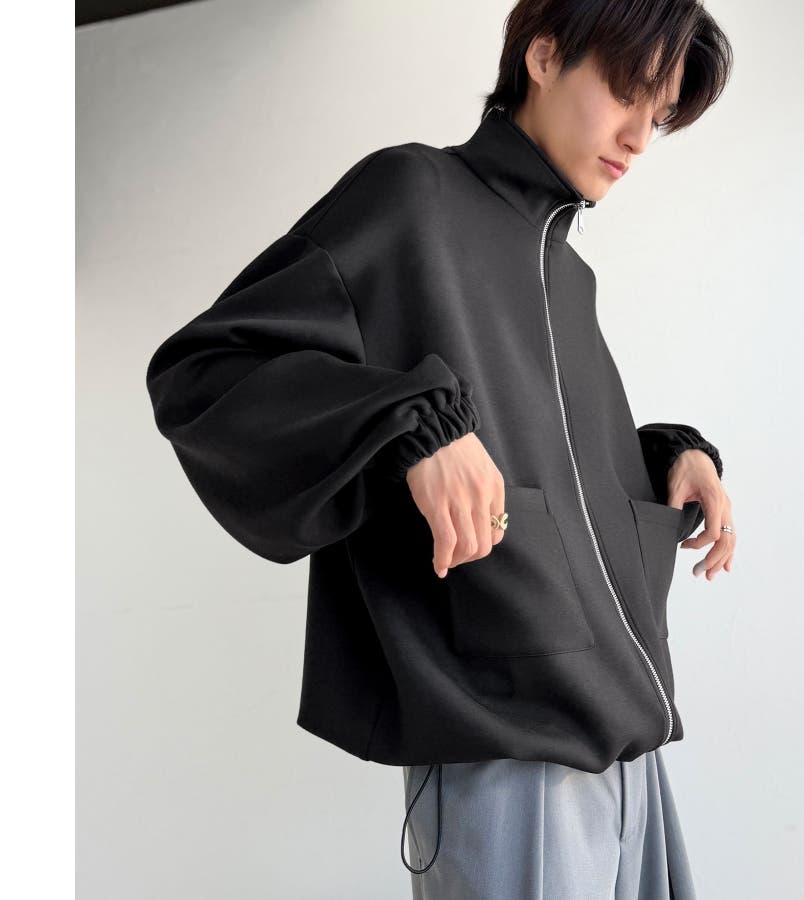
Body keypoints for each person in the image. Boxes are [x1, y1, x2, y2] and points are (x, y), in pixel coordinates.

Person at [146, 1, 735, 897]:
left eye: (657, 118)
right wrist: (413, 427)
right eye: (627, 94)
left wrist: (669, 459)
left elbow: (547, 468)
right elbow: (204, 372)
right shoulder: (410, 196)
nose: (638, 139)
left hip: (632, 755)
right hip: (506, 754)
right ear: (545, 56)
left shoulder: (565, 271)